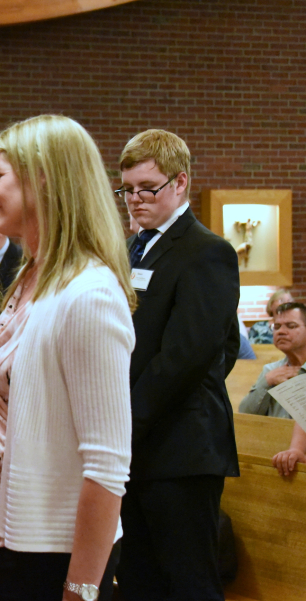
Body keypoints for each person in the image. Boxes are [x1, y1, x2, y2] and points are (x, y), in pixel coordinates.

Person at [0, 115, 135, 601]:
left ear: (42, 178)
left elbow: (106, 466)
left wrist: (81, 590)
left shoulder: (88, 294)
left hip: (49, 553)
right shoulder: (30, 276)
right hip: (1, 541)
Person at [115, 129, 240, 601]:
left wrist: (127, 417)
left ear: (180, 182)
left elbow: (191, 354)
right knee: (140, 580)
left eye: (148, 188)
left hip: (181, 447)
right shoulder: (132, 249)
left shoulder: (207, 250)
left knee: (189, 583)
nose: (135, 199)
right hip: (140, 442)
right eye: (127, 189)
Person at [240, 302, 306, 418]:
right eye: (276, 327)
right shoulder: (271, 371)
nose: (281, 331)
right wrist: (266, 382)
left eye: (291, 326)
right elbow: (245, 414)